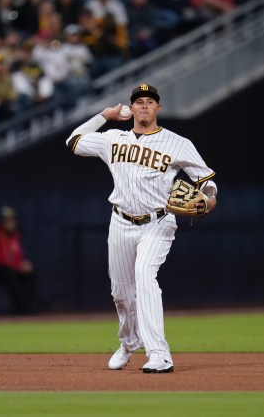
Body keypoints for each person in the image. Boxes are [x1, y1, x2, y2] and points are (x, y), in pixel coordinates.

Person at [65, 83, 218, 374]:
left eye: (149, 101)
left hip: (158, 222)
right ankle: (128, 343)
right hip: (120, 222)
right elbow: (73, 141)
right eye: (139, 101)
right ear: (131, 108)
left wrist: (209, 199)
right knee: (120, 293)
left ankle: (159, 354)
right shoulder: (113, 139)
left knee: (145, 277)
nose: (144, 105)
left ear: (158, 107)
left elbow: (206, 181)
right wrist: (105, 115)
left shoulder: (178, 143)